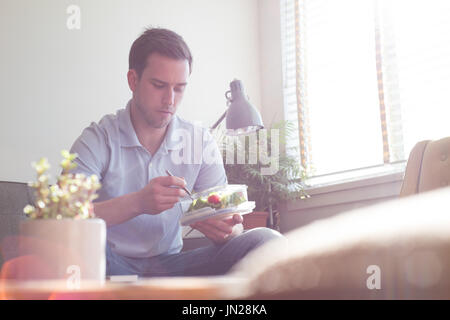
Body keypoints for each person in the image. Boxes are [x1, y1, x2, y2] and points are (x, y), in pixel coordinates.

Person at [69, 27, 283, 277]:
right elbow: (64, 217)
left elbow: (231, 225)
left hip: (172, 266)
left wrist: (226, 230)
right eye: (159, 85)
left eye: (179, 88)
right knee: (74, 247)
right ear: (133, 80)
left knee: (266, 242)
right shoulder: (98, 138)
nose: (170, 100)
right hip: (109, 264)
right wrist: (138, 202)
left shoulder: (199, 141)